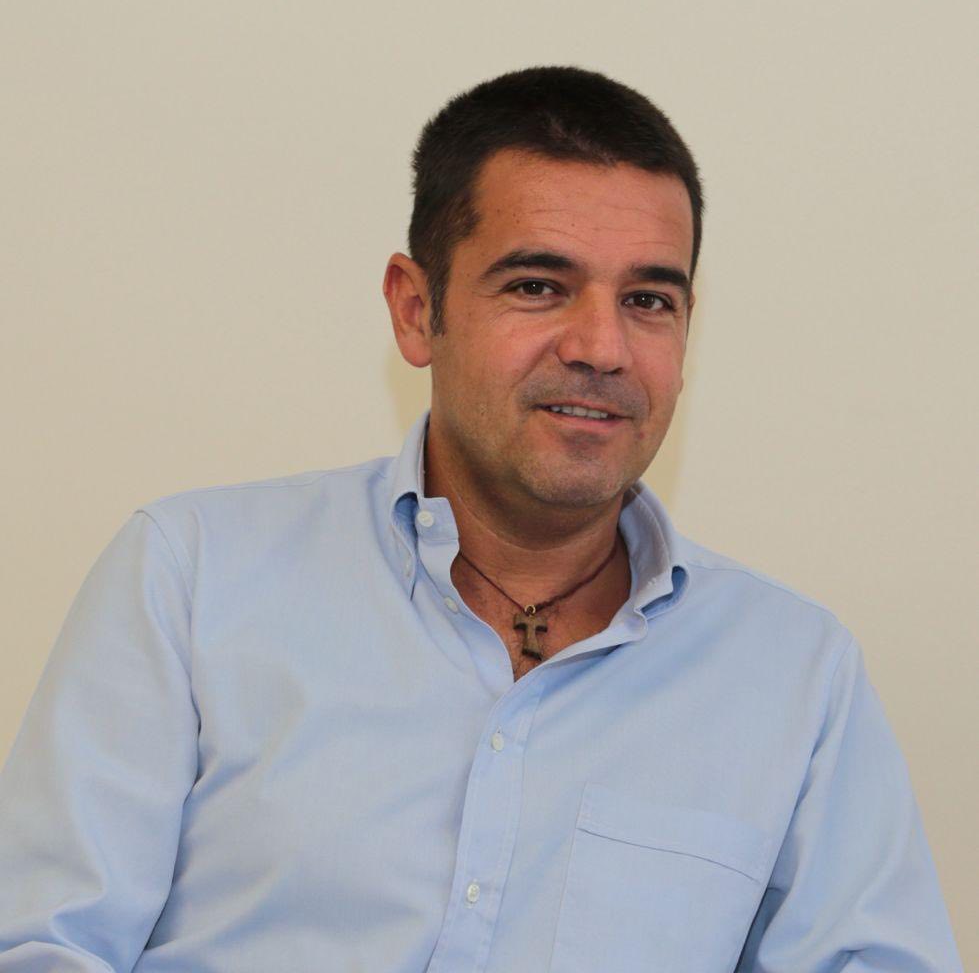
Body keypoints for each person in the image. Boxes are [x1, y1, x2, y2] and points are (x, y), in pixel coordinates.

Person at [0, 66, 962, 972]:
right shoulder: (192, 577)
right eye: (537, 286)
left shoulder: (794, 673)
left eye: (647, 300)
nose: (601, 347)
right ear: (415, 310)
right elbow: (42, 944)